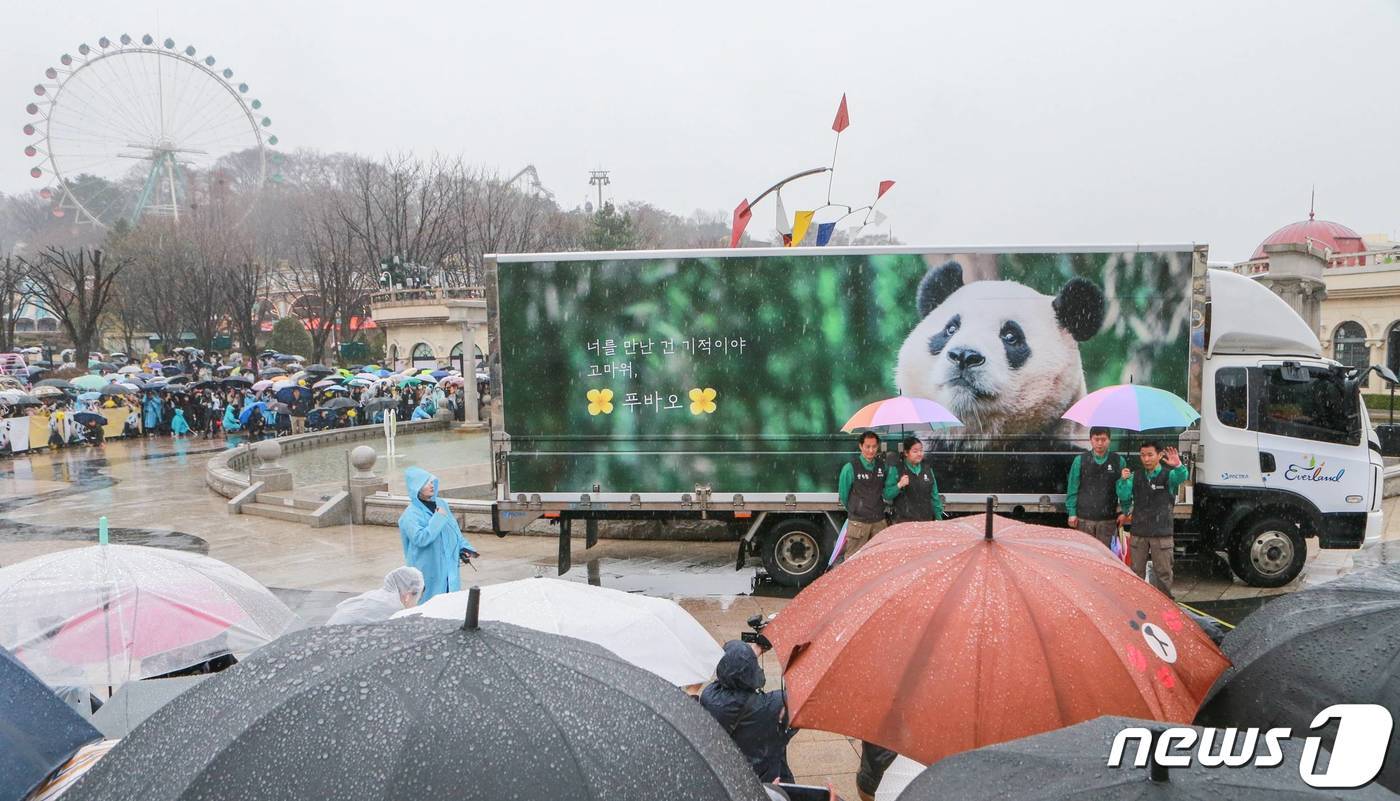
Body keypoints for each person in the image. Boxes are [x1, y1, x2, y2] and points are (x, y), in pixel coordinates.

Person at [699, 640, 796, 784]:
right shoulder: (772, 706)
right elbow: (800, 698)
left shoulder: (708, 696)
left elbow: (729, 674)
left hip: (727, 777)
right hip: (764, 780)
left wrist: (748, 655)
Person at [1116, 442, 1188, 596]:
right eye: (1143, 455)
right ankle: (1137, 602)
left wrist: (1178, 465)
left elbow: (1182, 476)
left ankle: (1165, 604)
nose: (1146, 459)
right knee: (1136, 572)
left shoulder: (1169, 475)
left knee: (1163, 573)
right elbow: (1124, 496)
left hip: (1162, 533)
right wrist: (1123, 481)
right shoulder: (1135, 476)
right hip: (1139, 532)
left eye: (1150, 455)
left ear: (1159, 455)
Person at [399, 466, 477, 602]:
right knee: (429, 606)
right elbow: (420, 539)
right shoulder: (410, 515)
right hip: (428, 570)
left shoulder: (441, 504)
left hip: (448, 567)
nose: (431, 485)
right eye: (426, 483)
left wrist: (464, 548)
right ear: (416, 488)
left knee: (450, 603)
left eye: (431, 481)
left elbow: (453, 529)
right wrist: (438, 518)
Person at [837, 432, 898, 556]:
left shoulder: (883, 467)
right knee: (853, 561)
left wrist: (895, 470)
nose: (871, 450)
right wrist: (857, 509)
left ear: (878, 447)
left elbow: (887, 493)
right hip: (858, 523)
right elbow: (843, 495)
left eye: (874, 447)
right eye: (867, 446)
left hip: (879, 522)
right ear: (861, 446)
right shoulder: (850, 468)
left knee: (880, 559)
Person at [1065, 426, 1124, 548]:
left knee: (1105, 558)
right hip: (1084, 519)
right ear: (1090, 440)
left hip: (1108, 520)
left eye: (1103, 439)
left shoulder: (1119, 461)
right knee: (1085, 557)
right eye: (1096, 439)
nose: (1100, 443)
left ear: (1109, 440)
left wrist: (1124, 511)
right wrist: (1072, 512)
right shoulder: (1080, 460)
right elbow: (1072, 488)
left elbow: (1124, 490)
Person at [324, 566, 425, 625]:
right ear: (408, 594)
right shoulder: (393, 609)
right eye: (417, 598)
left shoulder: (379, 595)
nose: (416, 603)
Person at [890, 436, 943, 524]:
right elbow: (887, 495)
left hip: (926, 520)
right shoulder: (897, 469)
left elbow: (934, 496)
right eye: (915, 451)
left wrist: (939, 518)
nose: (919, 454)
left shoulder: (927, 469)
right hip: (904, 522)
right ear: (906, 453)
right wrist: (899, 485)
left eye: (921, 450)